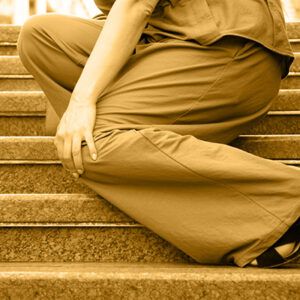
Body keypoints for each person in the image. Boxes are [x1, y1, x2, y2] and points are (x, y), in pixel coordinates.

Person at [17, 0, 300, 268]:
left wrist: (82, 101)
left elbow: (136, 5)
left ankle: (287, 203)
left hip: (225, 46)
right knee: (39, 36)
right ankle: (136, 134)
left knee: (89, 143)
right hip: (164, 39)